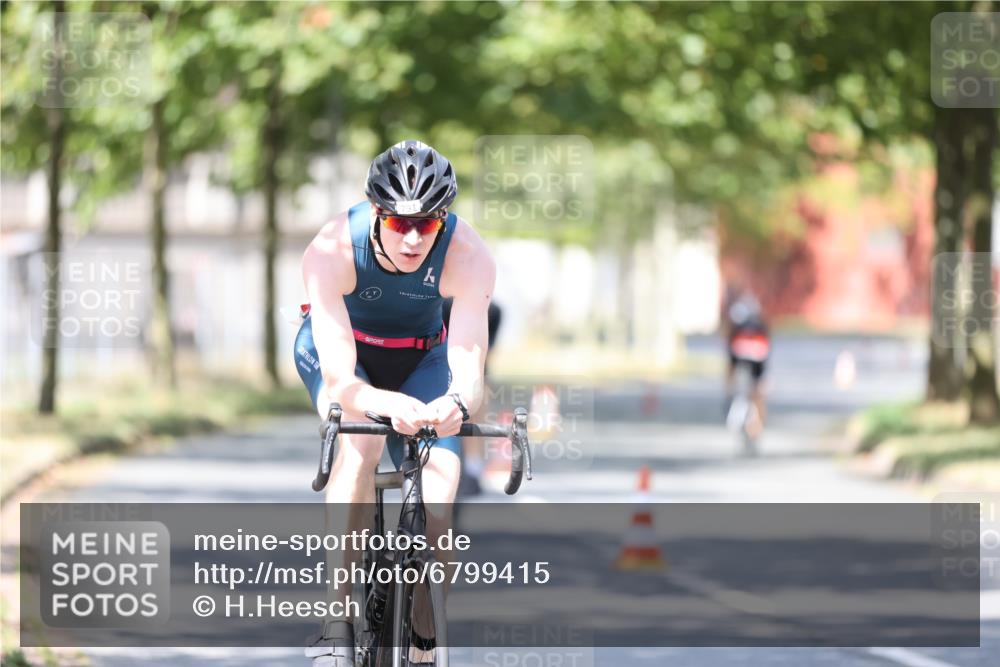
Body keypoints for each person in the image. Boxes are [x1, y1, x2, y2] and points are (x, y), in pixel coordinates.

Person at [294, 140, 496, 666]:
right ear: (375, 213)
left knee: (442, 483)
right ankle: (334, 622)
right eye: (397, 222)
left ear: (444, 220)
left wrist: (457, 403)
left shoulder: (470, 256)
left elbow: (470, 371)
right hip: (346, 359)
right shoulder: (331, 249)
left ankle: (425, 640)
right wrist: (383, 405)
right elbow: (342, 380)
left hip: (422, 359)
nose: (411, 238)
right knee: (358, 448)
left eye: (427, 225)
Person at [442, 298, 503, 496]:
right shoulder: (442, 305)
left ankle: (474, 466)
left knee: (478, 404)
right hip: (440, 363)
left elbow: (486, 353)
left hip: (474, 369)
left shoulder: (494, 311)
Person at [721, 283, 770, 441]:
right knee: (758, 389)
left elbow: (729, 342)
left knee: (734, 376)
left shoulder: (736, 315)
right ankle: (757, 424)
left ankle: (730, 397)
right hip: (758, 352)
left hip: (741, 350)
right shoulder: (758, 315)